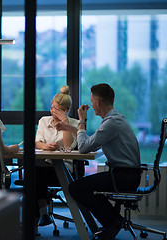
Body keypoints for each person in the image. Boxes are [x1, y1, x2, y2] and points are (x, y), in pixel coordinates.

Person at [56, 83, 141, 240]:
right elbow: (89, 142)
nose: (91, 103)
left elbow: (83, 148)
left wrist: (81, 120)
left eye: (92, 100)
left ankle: (112, 221)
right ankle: (113, 220)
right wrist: (72, 128)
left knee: (76, 188)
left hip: (123, 177)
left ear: (98, 102)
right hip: (127, 174)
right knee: (86, 187)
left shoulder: (111, 123)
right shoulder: (114, 120)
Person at [34, 86, 79, 234]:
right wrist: (46, 146)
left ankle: (42, 212)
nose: (53, 112)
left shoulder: (75, 124)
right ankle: (43, 213)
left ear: (66, 110)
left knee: (36, 177)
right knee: (34, 175)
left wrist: (65, 122)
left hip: (64, 169)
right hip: (44, 166)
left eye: (58, 109)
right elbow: (37, 142)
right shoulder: (43, 120)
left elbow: (68, 146)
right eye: (52, 108)